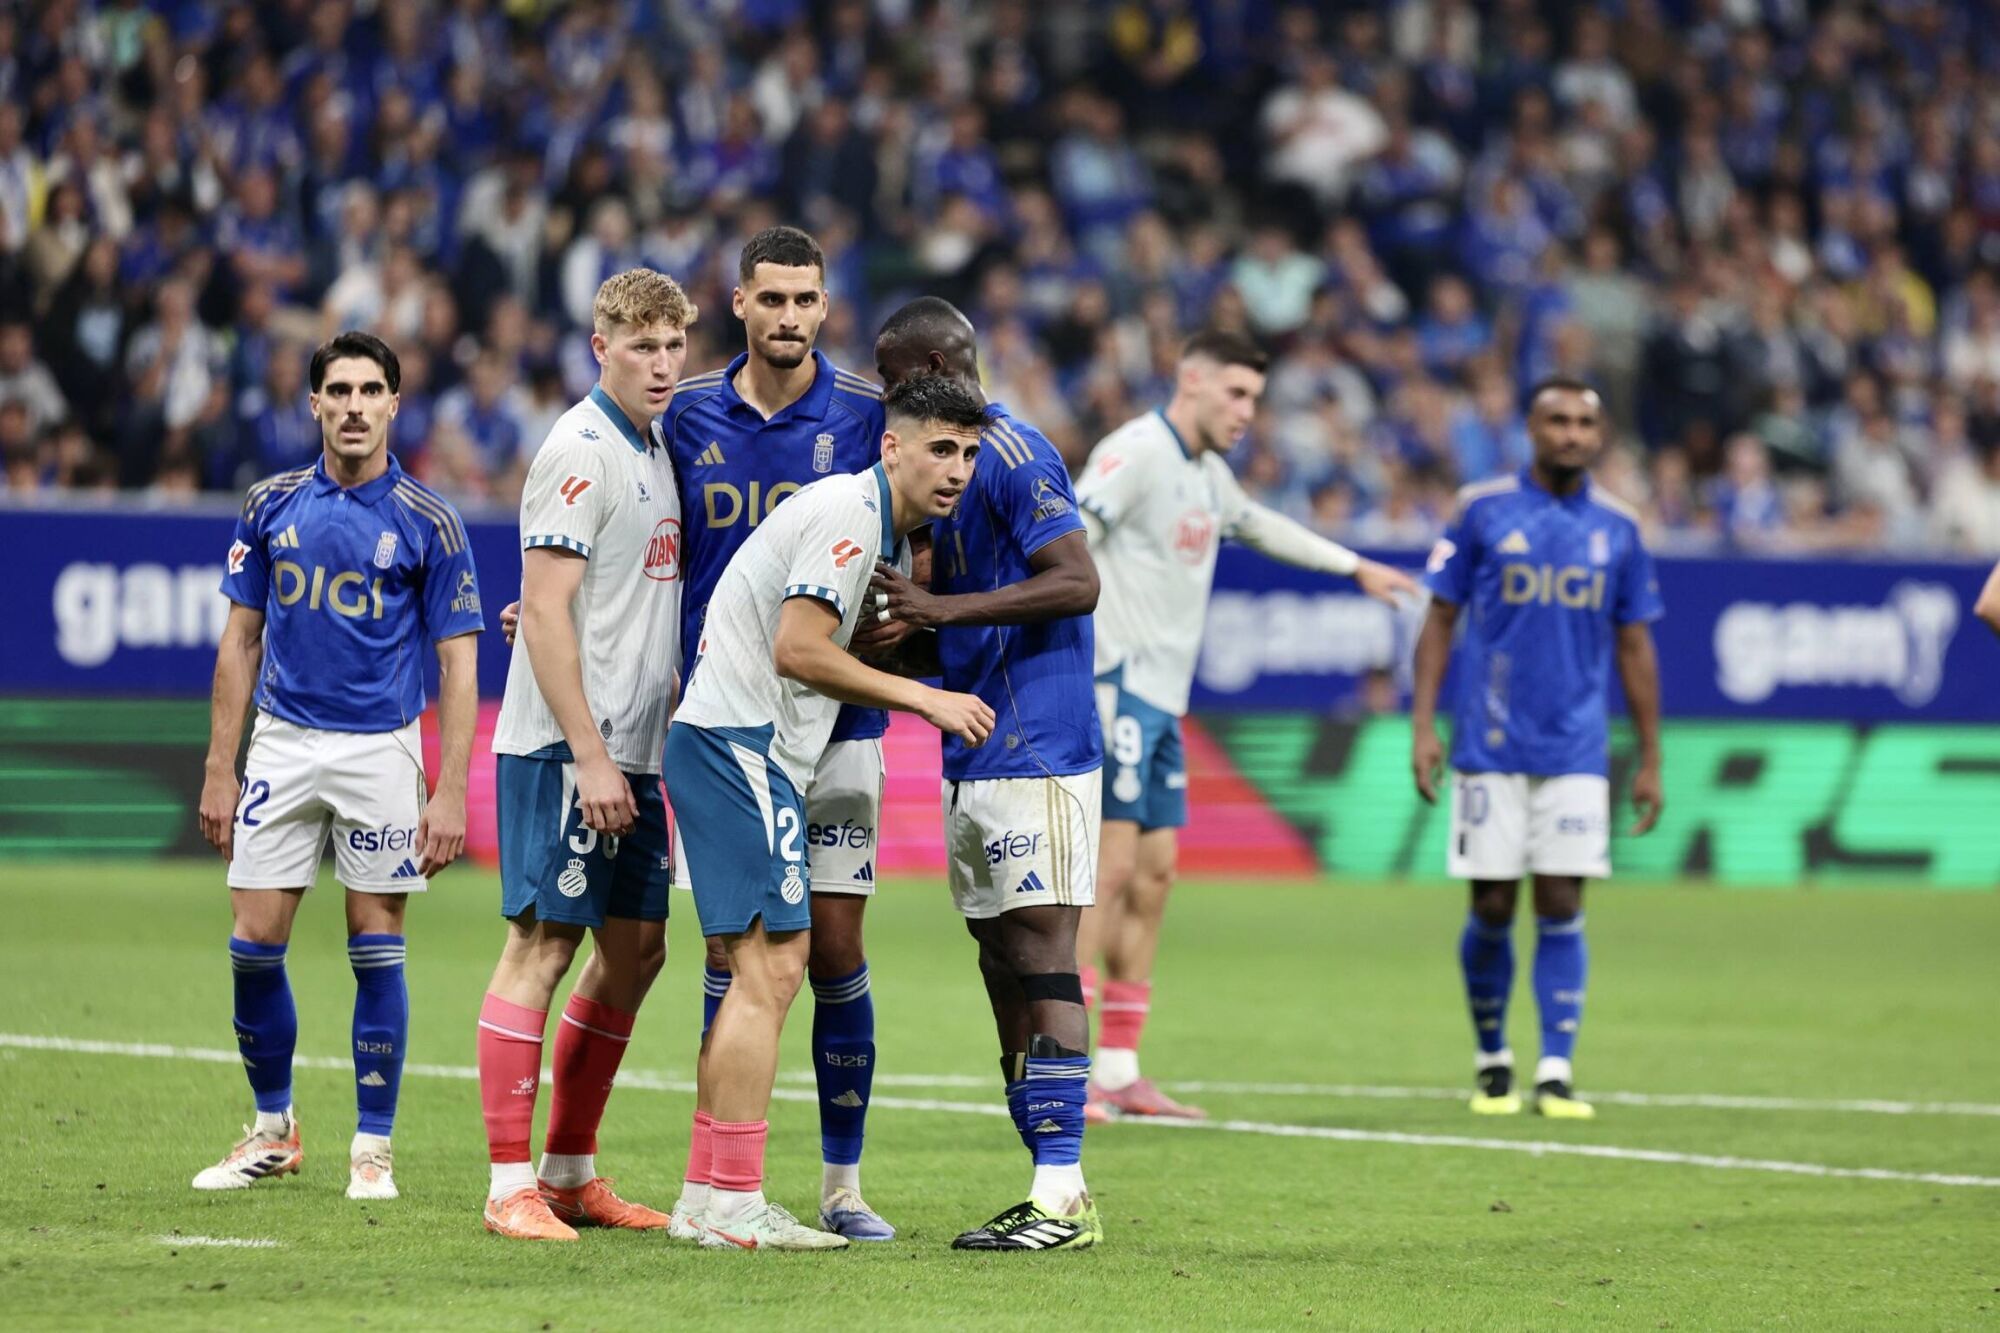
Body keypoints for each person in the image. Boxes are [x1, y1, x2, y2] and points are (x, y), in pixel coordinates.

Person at [665, 373, 995, 1251]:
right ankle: (735, 1200)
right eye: (939, 448)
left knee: (757, 969)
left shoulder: (868, 518)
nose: (956, 468)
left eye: (967, 450)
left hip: (729, 744)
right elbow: (796, 646)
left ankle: (705, 1196)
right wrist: (924, 699)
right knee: (774, 970)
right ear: (891, 445)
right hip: (741, 748)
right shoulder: (853, 516)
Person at [1071, 329, 1419, 1121]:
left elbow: (1260, 524)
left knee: (1155, 874)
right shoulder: (1137, 452)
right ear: (1189, 380)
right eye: (1235, 394)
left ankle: (1121, 1068)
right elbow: (1072, 538)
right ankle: (1066, 1064)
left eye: (1255, 400)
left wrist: (1351, 566)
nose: (1247, 412)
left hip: (1163, 699)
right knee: (1109, 870)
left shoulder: (1208, 474)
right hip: (1116, 684)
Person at [194, 331, 482, 1202]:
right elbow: (240, 640)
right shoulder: (268, 505)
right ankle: (273, 1130)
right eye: (338, 391)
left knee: (376, 948)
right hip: (282, 741)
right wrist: (219, 763)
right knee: (252, 947)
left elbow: (460, 663)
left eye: (370, 391)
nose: (354, 406)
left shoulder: (430, 520)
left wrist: (449, 787)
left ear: (396, 403)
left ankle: (374, 1145)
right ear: (312, 403)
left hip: (380, 750)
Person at [660, 225, 900, 1240]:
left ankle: (839, 1186)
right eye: (773, 300)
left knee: (830, 948)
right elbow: (648, 541)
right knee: (735, 954)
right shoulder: (684, 418)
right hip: (728, 719)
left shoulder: (864, 417)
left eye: (807, 301)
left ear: (825, 307)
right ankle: (716, 1184)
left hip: (839, 725)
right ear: (740, 303)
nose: (790, 318)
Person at [867, 297, 1106, 1252]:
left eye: (891, 380)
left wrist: (935, 611)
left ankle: (1056, 1201)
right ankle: (1059, 1187)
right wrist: (901, 646)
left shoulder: (1012, 453)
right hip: (975, 747)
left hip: (1039, 744)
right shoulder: (950, 481)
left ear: (930, 366)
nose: (885, 399)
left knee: (1043, 952)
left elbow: (1077, 580)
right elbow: (961, 625)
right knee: (1001, 959)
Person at [478, 269, 695, 1242]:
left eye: (672, 345)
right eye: (640, 345)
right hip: (572, 750)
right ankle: (505, 1184)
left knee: (638, 951)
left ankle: (568, 1171)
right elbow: (549, 607)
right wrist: (590, 754)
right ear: (598, 346)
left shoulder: (653, 448)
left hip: (633, 749)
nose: (660, 363)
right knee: (541, 945)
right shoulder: (579, 448)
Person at [1409, 377, 1666, 1120]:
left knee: (1562, 899)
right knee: (1491, 902)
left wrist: (1651, 755)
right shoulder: (1482, 508)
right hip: (1488, 743)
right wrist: (1424, 724)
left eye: (1586, 422)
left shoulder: (1621, 527)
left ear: (1599, 433)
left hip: (1579, 747)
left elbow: (1636, 644)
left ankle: (1555, 1068)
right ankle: (1494, 1058)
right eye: (1558, 419)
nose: (1573, 433)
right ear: (1531, 427)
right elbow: (1439, 618)